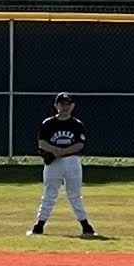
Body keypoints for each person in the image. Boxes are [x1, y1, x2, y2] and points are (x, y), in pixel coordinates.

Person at [29, 93, 99, 237]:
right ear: (56, 106)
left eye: (68, 104)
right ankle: (39, 226)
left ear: (72, 106)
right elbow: (42, 143)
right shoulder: (48, 123)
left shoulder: (77, 124)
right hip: (54, 162)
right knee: (49, 193)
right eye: (62, 104)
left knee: (74, 194)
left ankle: (86, 226)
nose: (65, 107)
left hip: (72, 161)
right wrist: (55, 151)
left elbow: (80, 144)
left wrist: (63, 151)